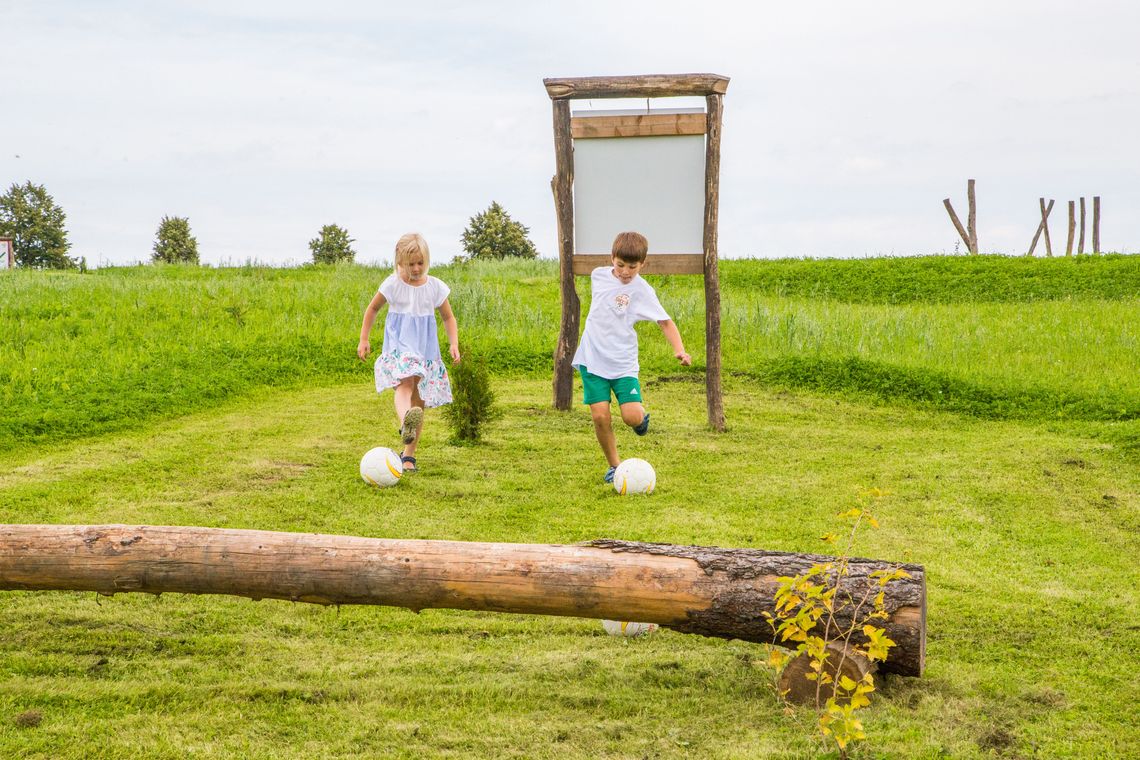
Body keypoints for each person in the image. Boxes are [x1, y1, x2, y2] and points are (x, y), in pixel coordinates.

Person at [571, 231, 691, 483]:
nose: (626, 272)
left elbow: (665, 321)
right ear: (612, 258)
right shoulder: (598, 276)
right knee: (600, 416)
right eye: (621, 265)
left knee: (631, 417)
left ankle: (639, 420)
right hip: (592, 358)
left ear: (642, 264)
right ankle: (615, 466)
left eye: (632, 267)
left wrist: (679, 349)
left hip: (622, 363)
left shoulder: (642, 290)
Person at [357, 233, 460, 472]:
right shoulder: (393, 284)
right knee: (404, 385)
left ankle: (408, 455)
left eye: (420, 263)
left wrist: (453, 343)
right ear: (400, 262)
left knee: (419, 399)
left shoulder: (435, 287)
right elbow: (372, 309)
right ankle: (406, 424)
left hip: (425, 350)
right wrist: (364, 338)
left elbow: (448, 317)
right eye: (410, 264)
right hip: (400, 345)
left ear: (427, 260)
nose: (415, 268)